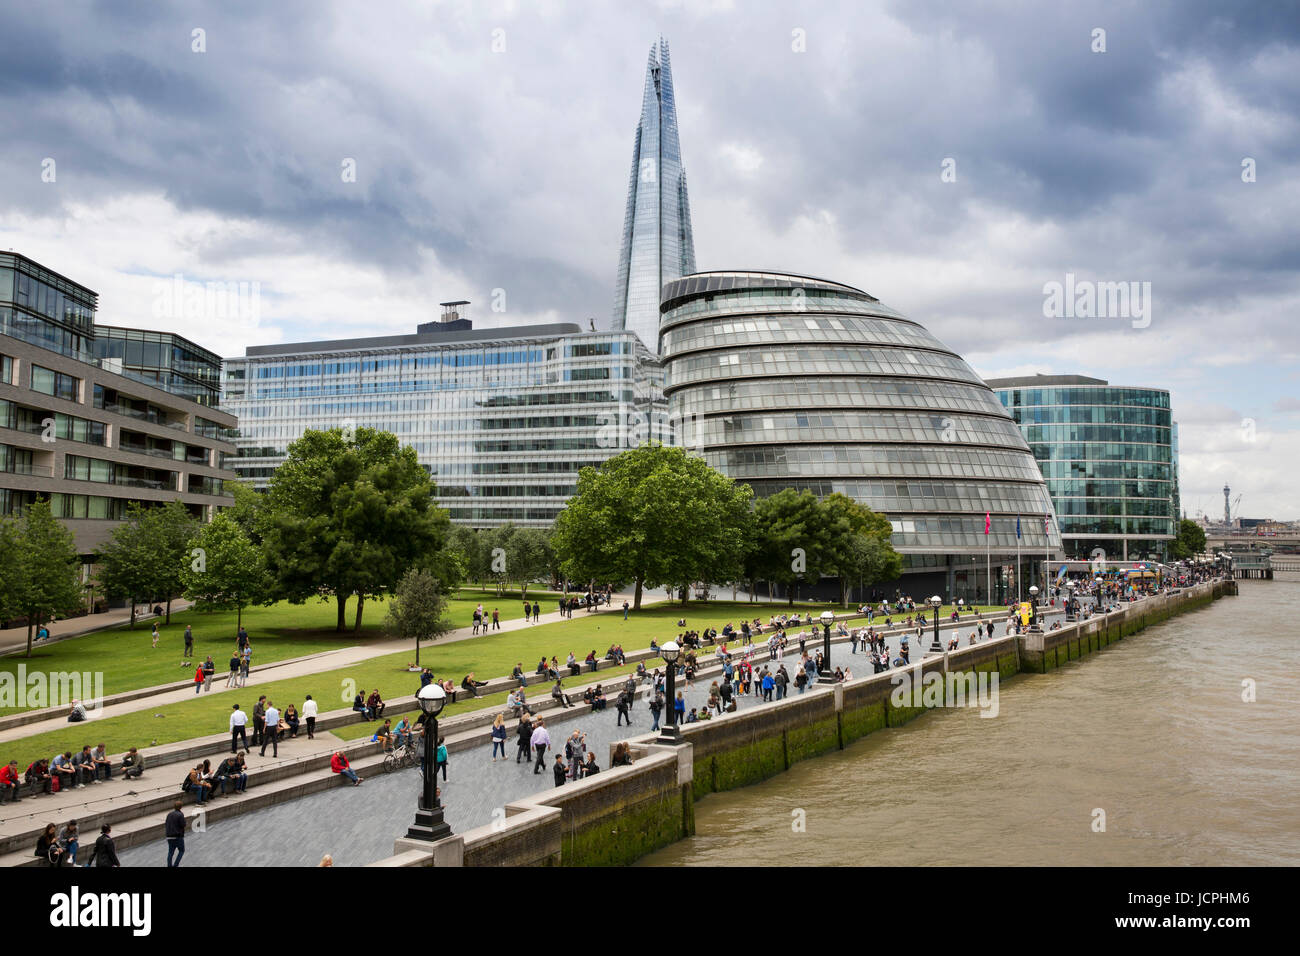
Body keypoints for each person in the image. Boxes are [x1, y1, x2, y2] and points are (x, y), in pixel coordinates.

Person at [165, 801, 187, 867]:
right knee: (181, 850)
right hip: (177, 836)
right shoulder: (180, 815)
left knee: (171, 852)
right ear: (181, 807)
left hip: (169, 836)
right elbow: (183, 824)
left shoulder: (169, 814)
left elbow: (166, 823)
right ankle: (175, 865)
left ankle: (169, 866)